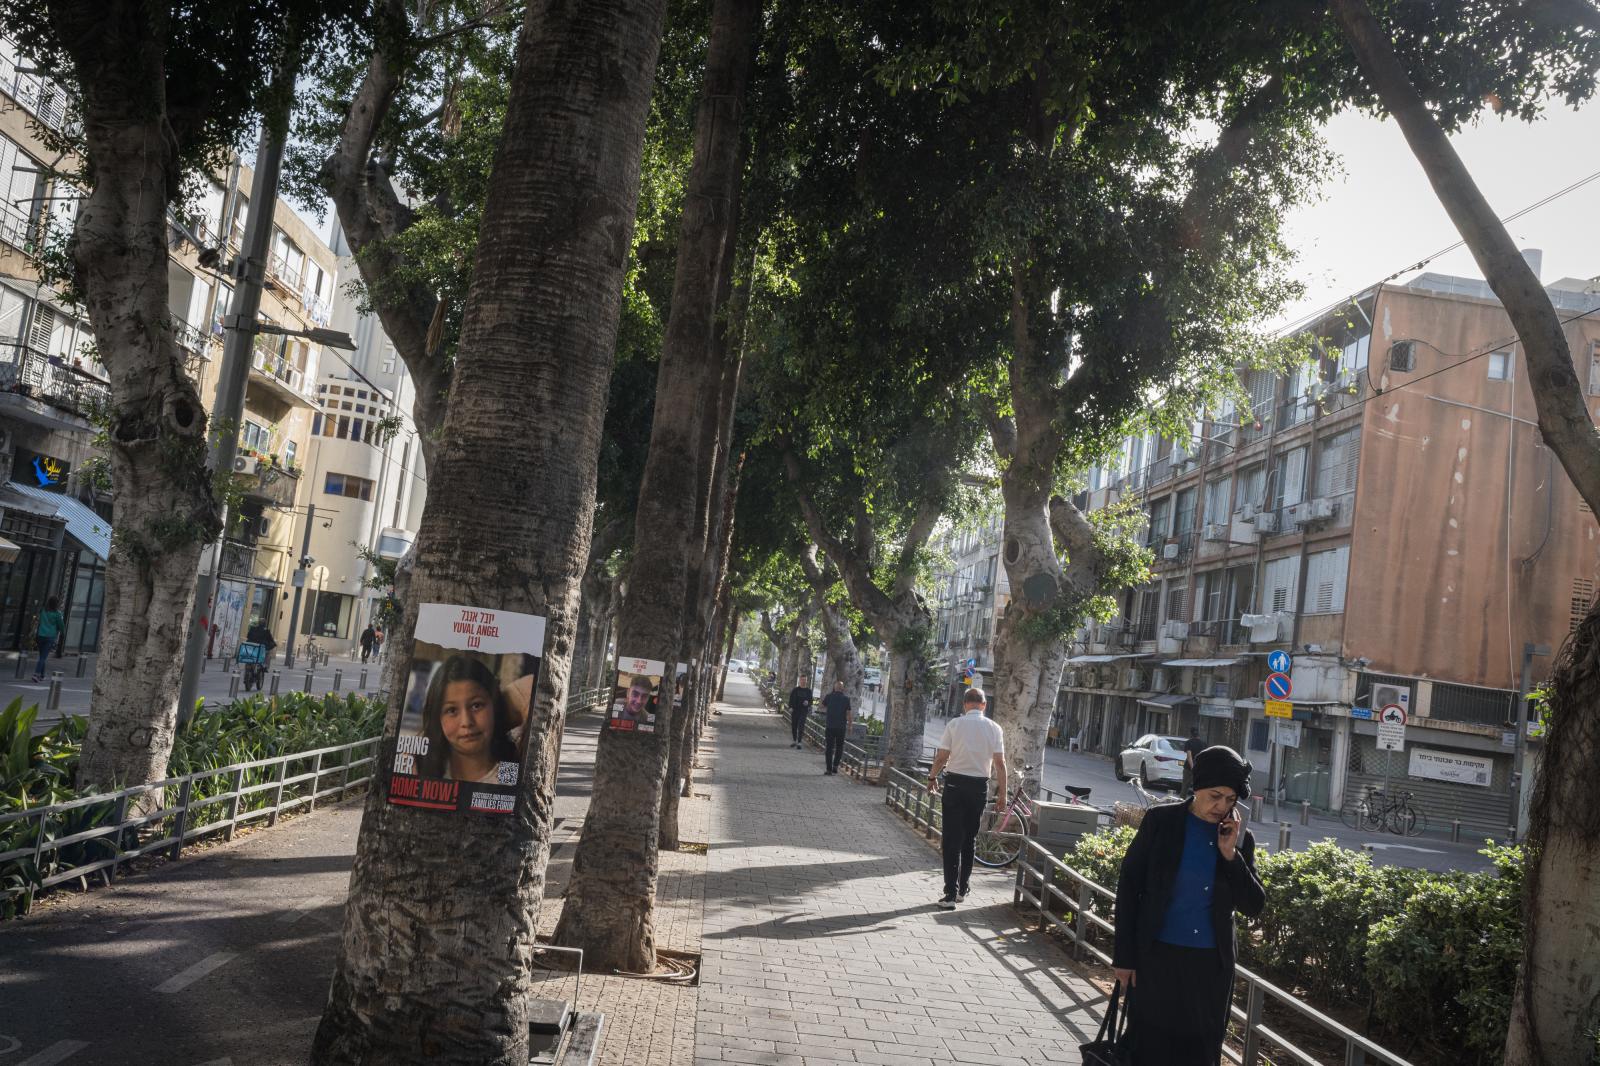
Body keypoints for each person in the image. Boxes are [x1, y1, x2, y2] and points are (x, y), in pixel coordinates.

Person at [1113, 746, 1265, 1065]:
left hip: (1210, 967)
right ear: (1196, 789)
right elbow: (1129, 887)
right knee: (1147, 1049)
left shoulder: (1239, 839)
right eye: (1215, 796)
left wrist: (1229, 855)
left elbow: (1253, 905)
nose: (1221, 806)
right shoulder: (1161, 822)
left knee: (1200, 1054)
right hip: (1157, 959)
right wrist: (1124, 957)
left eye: (1230, 800)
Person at [926, 688, 1006, 909]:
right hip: (979, 787)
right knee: (969, 839)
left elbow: (942, 756)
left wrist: (932, 777)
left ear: (964, 704)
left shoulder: (954, 725)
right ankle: (963, 888)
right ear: (984, 705)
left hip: (955, 784)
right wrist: (1003, 795)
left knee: (951, 839)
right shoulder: (994, 728)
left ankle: (950, 894)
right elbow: (1000, 764)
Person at [418, 655, 520, 783]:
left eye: (476, 706)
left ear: (495, 704)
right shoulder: (423, 769)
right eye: (452, 710)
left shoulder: (508, 772)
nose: (466, 722)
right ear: (436, 717)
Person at [819, 680, 851, 774]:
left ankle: (829, 769)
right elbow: (848, 713)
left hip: (830, 726)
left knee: (829, 747)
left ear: (834, 688)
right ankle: (835, 766)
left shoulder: (829, 697)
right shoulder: (846, 699)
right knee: (839, 747)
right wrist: (850, 725)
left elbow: (822, 706)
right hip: (841, 727)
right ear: (842, 689)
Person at [31, 596, 63, 682]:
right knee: (43, 657)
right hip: (50, 637)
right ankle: (36, 674)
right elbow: (61, 625)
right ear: (57, 604)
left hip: (40, 635)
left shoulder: (43, 611)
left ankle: (42, 675)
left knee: (42, 656)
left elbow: (39, 621)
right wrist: (62, 632)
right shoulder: (58, 613)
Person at [787, 677, 814, 749]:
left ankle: (799, 742)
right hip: (795, 710)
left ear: (806, 681)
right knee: (794, 726)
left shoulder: (808, 691)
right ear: (799, 680)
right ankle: (794, 740)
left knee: (801, 726)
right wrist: (790, 707)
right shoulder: (795, 690)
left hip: (803, 711)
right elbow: (791, 699)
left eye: (805, 680)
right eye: (802, 680)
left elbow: (811, 701)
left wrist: (808, 703)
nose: (803, 681)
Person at [1182, 726, 1205, 796]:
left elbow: (1189, 756)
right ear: (1198, 734)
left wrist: (1192, 768)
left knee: (1185, 788)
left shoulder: (1189, 742)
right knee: (1198, 788)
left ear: (1191, 734)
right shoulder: (1203, 744)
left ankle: (1181, 804)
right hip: (1199, 769)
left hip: (1188, 768)